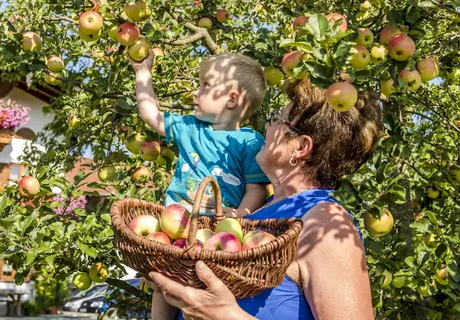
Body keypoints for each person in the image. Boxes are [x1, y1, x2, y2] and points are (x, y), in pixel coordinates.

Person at [149, 78, 382, 320]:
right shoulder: (257, 212)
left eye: (276, 120)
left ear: (301, 147)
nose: (266, 129)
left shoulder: (326, 223)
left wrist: (225, 316)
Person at [130, 51, 269, 217]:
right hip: (176, 219)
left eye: (205, 85)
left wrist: (239, 215)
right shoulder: (189, 127)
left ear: (231, 99)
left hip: (220, 229)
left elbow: (256, 189)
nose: (195, 92)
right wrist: (142, 71)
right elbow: (150, 114)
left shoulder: (250, 142)